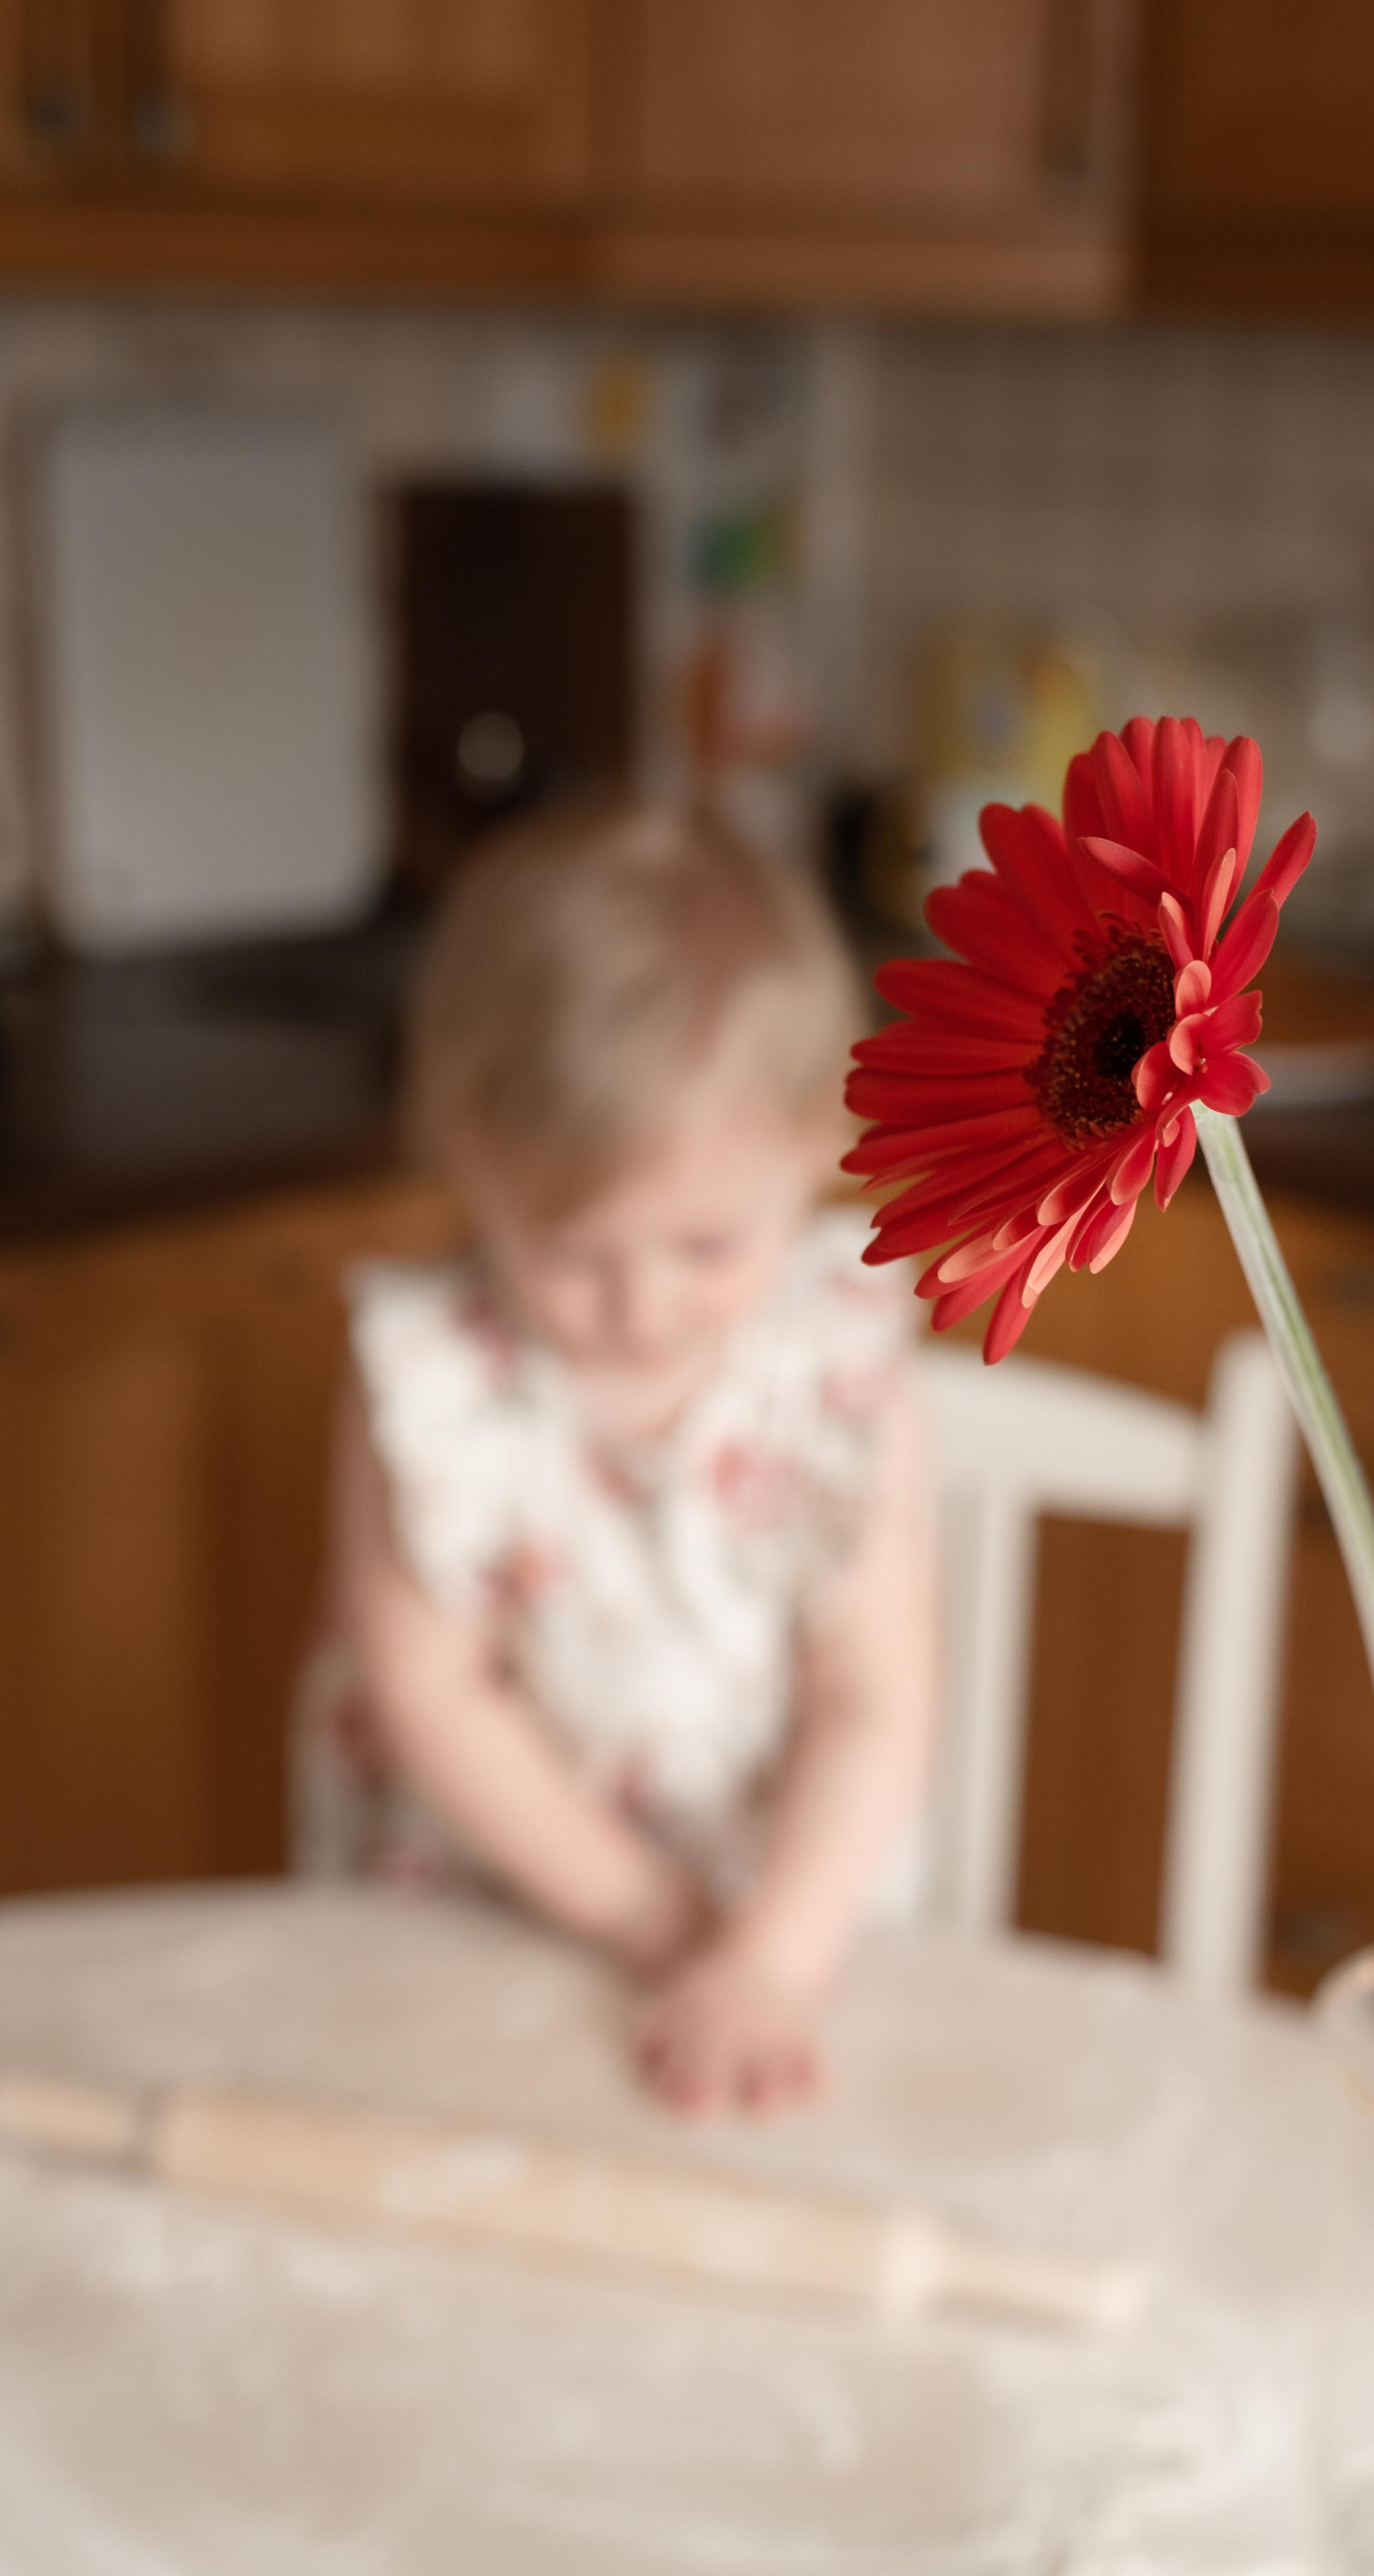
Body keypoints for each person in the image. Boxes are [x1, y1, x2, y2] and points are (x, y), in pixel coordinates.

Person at [298, 804, 936, 2118]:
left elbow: (872, 1697)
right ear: (469, 1173)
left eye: (706, 1247)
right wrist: (653, 1922)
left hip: (791, 1932)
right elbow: (428, 1698)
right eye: (570, 1254)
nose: (641, 1309)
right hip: (482, 1914)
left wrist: (763, 1956)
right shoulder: (422, 1384)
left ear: (816, 1147)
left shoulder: (843, 1366)